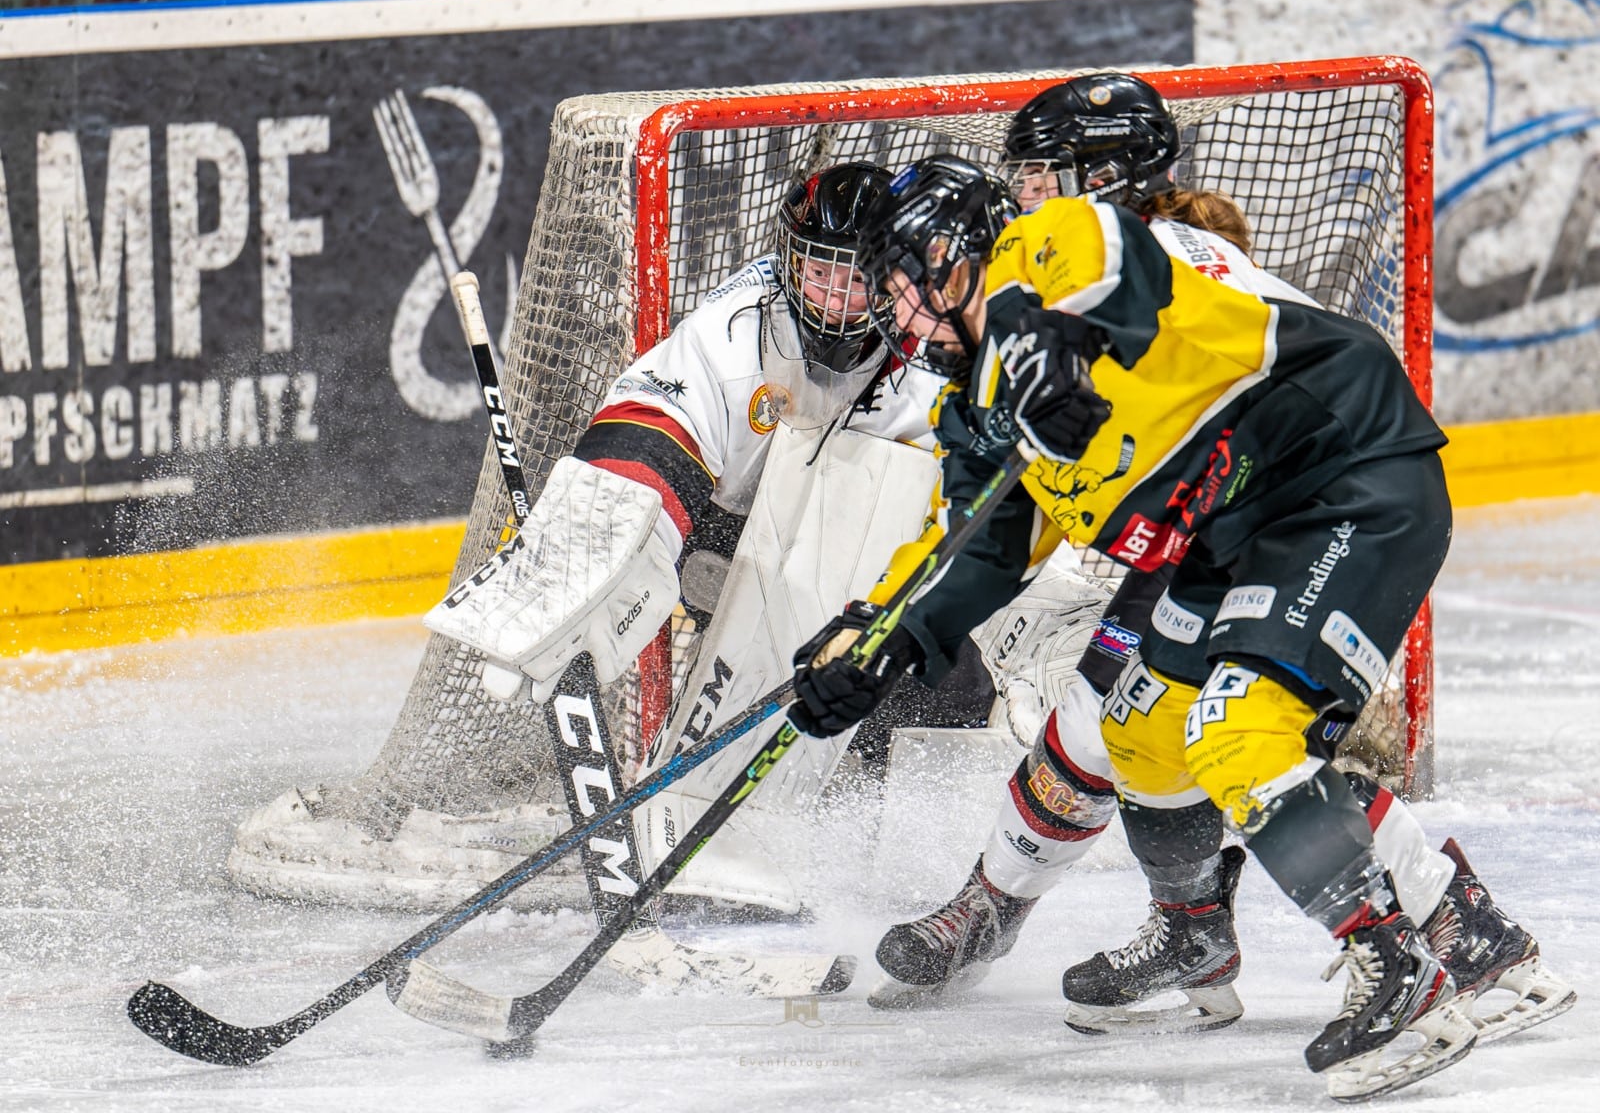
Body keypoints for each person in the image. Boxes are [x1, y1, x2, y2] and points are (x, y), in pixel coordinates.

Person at [859, 74, 1572, 1053]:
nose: (1024, 193)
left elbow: (1086, 291)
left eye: (1039, 175)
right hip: (1222, 529)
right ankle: (1190, 926)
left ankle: (1446, 925)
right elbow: (998, 517)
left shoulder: (1118, 251)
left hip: (1316, 500)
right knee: (1134, 725)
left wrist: (1026, 349)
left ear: (1097, 177)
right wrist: (896, 627)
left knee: (1229, 736)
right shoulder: (1053, 288)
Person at [427, 160, 1110, 925]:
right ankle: (719, 841)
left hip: (885, 556)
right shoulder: (737, 328)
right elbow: (652, 437)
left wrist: (1046, 619)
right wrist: (589, 558)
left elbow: (1010, 499)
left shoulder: (942, 337)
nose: (833, 299)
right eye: (817, 272)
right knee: (823, 608)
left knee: (933, 680)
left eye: (857, 280)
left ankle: (894, 872)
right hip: (726, 543)